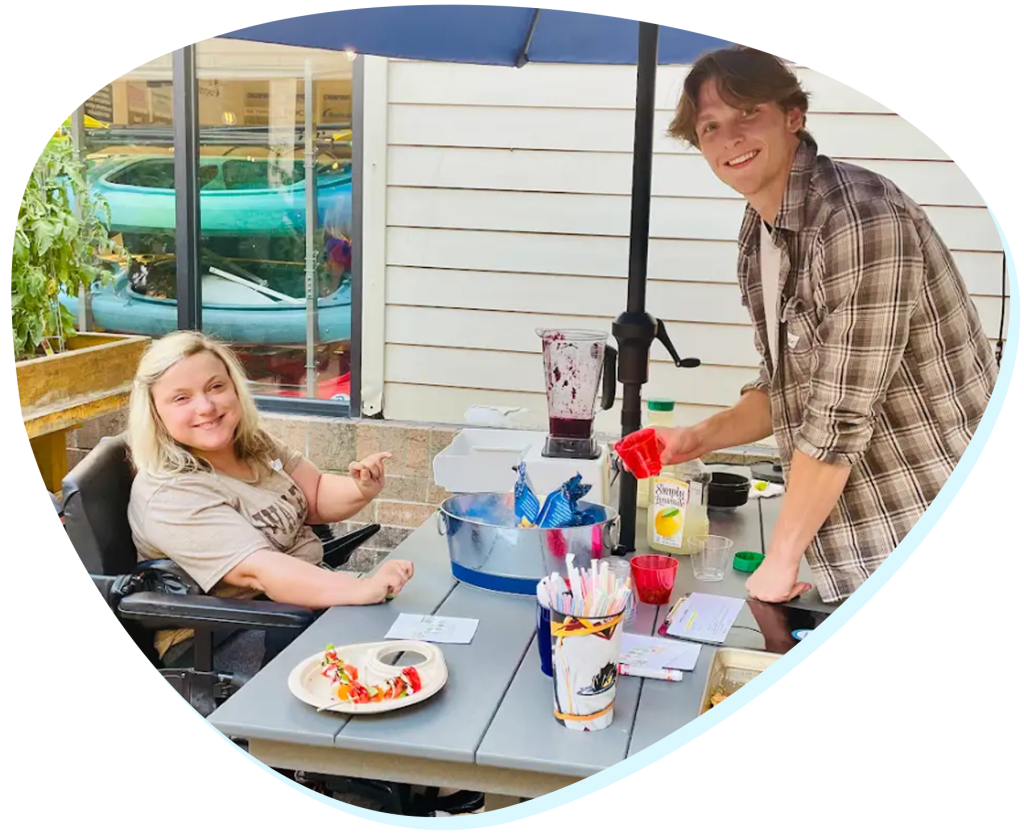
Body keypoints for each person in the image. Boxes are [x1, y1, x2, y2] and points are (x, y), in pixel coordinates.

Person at [654, 46, 998, 605]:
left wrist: (781, 556)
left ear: (794, 116)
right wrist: (698, 438)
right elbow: (787, 386)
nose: (730, 138)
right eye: (710, 127)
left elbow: (838, 414)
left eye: (747, 113)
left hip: (920, 506)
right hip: (855, 538)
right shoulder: (759, 233)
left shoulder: (860, 218)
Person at [125, 330, 413, 667]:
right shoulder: (169, 492)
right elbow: (260, 573)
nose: (206, 406)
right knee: (388, 657)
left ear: (235, 388)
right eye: (181, 398)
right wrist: (361, 588)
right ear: (155, 412)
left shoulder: (251, 444)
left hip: (294, 604)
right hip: (224, 636)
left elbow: (316, 494)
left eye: (216, 387)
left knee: (408, 637)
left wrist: (361, 488)